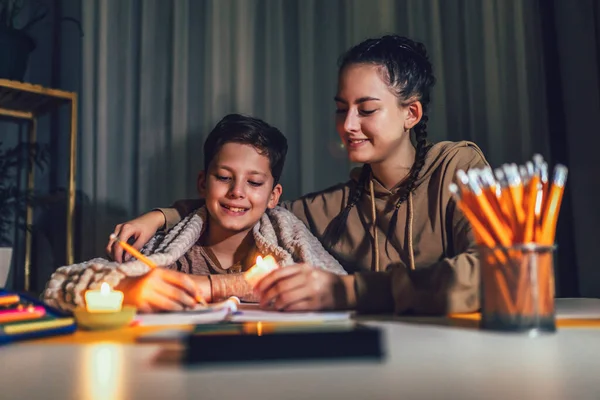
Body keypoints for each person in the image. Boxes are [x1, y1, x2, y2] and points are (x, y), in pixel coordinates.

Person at [107, 34, 488, 315]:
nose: (348, 125)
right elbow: (249, 206)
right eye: (342, 109)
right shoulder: (342, 203)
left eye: (366, 109)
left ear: (412, 114)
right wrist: (162, 216)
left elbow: (491, 271)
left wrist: (349, 291)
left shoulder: (458, 169)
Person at [44, 114, 346, 313]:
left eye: (254, 182)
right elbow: (59, 283)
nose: (237, 192)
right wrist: (128, 288)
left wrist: (220, 286)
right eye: (224, 178)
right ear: (203, 183)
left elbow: (338, 285)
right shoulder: (175, 249)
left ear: (273, 196)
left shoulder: (285, 233)